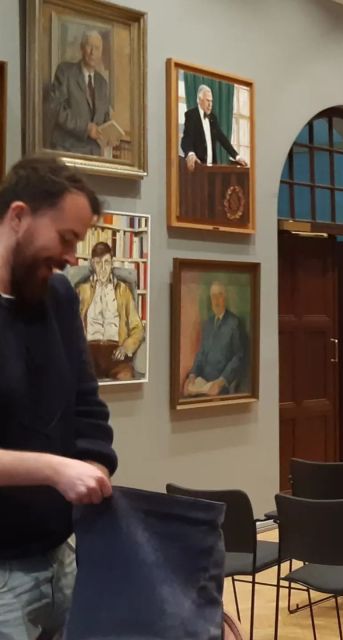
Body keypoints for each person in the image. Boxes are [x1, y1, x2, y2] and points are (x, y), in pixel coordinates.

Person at [0, 156, 117, 638]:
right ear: (19, 216)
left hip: (62, 558)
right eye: (66, 239)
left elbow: (87, 405)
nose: (73, 257)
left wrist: (94, 465)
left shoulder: (61, 298)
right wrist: (55, 470)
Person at [75, 241, 145, 381]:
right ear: (92, 264)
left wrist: (126, 347)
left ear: (112, 263)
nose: (103, 268)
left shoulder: (123, 291)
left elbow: (138, 328)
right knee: (78, 379)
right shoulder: (82, 290)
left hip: (116, 354)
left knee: (126, 377)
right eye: (98, 263)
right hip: (89, 353)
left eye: (106, 262)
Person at [47, 30, 111, 156]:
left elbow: (105, 118)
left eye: (97, 48)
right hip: (66, 150)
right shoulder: (65, 72)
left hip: (93, 154)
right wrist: (86, 128)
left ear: (101, 53)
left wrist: (110, 135)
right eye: (89, 46)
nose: (92, 52)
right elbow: (55, 109)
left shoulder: (102, 83)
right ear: (81, 48)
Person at [183, 281, 246, 397]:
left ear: (225, 298)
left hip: (221, 383)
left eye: (219, 295)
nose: (216, 300)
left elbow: (239, 357)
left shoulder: (234, 323)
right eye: (213, 296)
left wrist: (221, 381)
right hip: (203, 381)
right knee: (186, 392)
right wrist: (193, 374)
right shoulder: (208, 324)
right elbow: (201, 353)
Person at [180, 85, 248, 171]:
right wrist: (190, 153)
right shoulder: (191, 115)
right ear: (199, 100)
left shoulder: (213, 118)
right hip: (197, 168)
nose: (210, 105)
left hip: (212, 168)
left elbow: (222, 139)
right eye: (207, 101)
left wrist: (237, 156)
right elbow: (186, 139)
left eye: (211, 101)